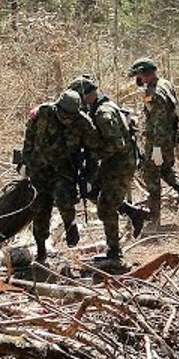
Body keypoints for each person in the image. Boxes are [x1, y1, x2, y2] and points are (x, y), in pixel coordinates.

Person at [67, 75, 149, 261]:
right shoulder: (101, 107)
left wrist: (94, 154)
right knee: (92, 190)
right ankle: (133, 212)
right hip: (114, 161)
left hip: (120, 163)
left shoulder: (102, 113)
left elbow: (116, 144)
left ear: (87, 96)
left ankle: (114, 252)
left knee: (105, 207)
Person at [19, 89, 98, 263]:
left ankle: (70, 224)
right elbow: (29, 137)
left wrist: (90, 177)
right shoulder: (42, 113)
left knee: (64, 199)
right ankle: (41, 251)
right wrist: (24, 162)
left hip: (64, 171)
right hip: (39, 169)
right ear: (58, 107)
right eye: (64, 114)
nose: (67, 118)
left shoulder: (83, 123)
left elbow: (93, 151)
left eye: (71, 115)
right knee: (40, 209)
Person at [127, 57, 179, 226]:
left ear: (144, 74)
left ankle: (154, 219)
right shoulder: (166, 84)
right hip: (169, 138)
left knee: (151, 176)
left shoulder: (154, 94)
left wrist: (156, 148)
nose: (138, 79)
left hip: (159, 141)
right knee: (165, 169)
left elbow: (158, 123)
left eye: (139, 75)